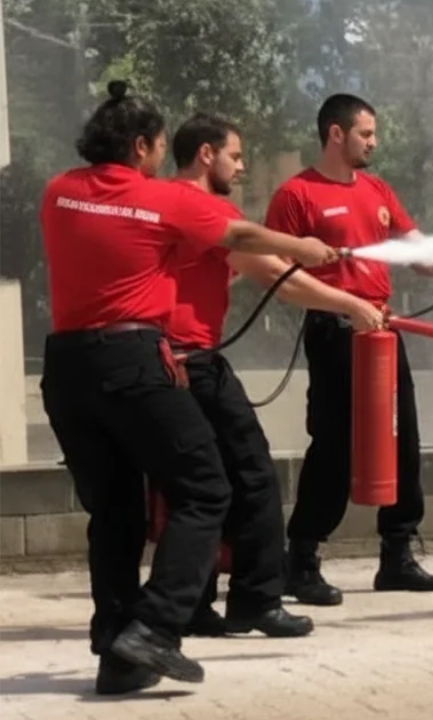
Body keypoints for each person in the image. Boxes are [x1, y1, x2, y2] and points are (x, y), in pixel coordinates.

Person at [39, 80, 339, 694]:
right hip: (133, 359)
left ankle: (117, 652)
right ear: (144, 145)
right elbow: (241, 237)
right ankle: (155, 626)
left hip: (66, 368)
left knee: (115, 510)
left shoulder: (58, 193)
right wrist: (304, 246)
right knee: (206, 488)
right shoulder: (158, 198)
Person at [165, 112, 388, 638]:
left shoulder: (167, 204)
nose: (242, 167)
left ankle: (194, 606)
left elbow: (262, 270)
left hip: (168, 360)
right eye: (236, 156)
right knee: (254, 477)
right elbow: (280, 278)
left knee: (198, 488)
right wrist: (350, 302)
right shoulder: (203, 210)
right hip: (192, 361)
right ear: (205, 154)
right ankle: (256, 600)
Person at [263, 93, 433, 605]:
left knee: (402, 437)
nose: (375, 142)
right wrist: (345, 304)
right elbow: (278, 274)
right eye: (366, 133)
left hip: (383, 330)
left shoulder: (378, 190)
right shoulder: (296, 195)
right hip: (334, 333)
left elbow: (420, 252)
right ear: (336, 134)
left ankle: (397, 555)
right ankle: (300, 560)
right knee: (335, 444)